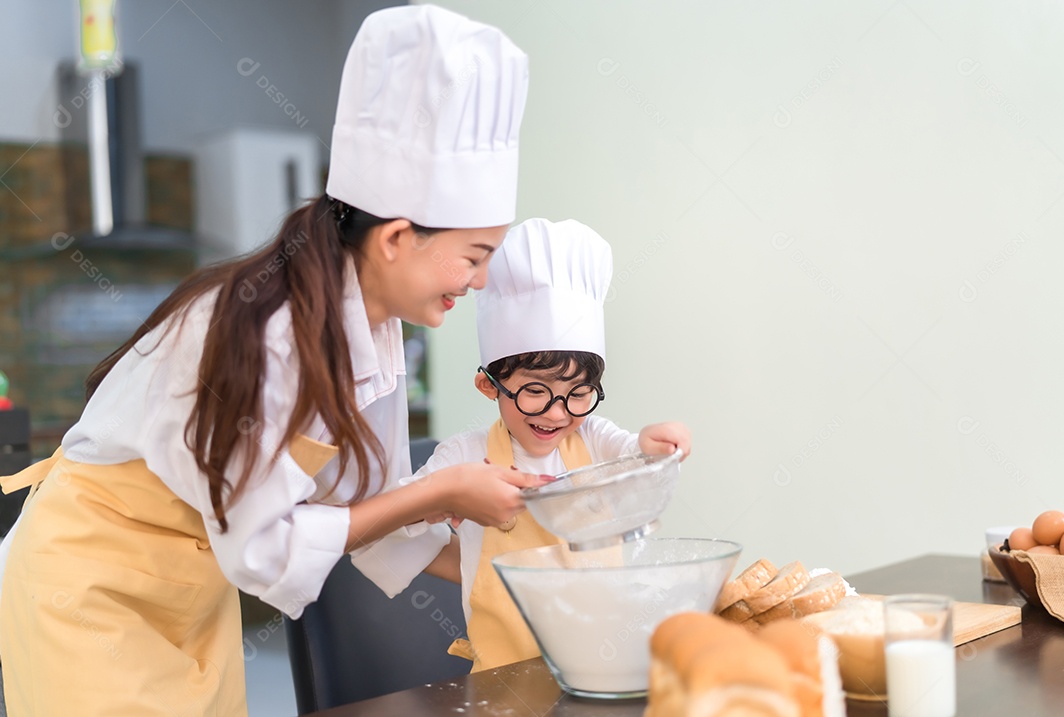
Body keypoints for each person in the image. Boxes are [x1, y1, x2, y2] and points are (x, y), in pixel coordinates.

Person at [0, 6, 537, 714]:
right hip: (90, 588)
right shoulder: (270, 333)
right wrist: (443, 493)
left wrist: (519, 571)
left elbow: (367, 520)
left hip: (194, 592)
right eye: (474, 256)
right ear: (397, 237)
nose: (478, 282)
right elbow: (265, 550)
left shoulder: (372, 337)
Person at [352, 217, 692, 672]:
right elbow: (391, 521)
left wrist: (657, 443)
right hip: (504, 675)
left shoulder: (593, 437)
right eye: (535, 391)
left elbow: (635, 458)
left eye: (577, 393)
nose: (557, 413)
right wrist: (457, 540)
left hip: (603, 664)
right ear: (489, 386)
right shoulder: (464, 456)